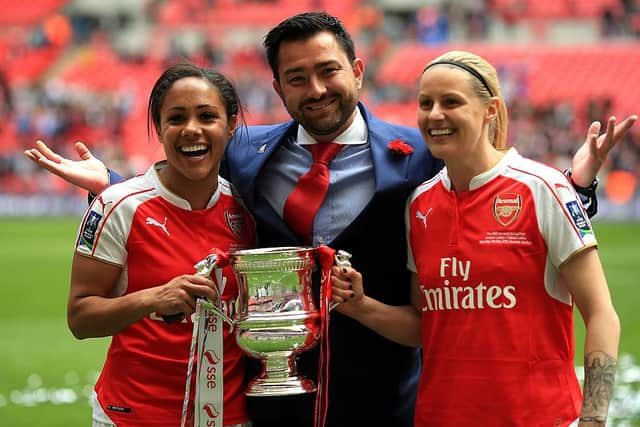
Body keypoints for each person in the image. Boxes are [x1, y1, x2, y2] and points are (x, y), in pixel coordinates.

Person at [24, 12, 636, 427]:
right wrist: (113, 186)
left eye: (328, 71)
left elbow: (502, 194)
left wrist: (579, 185)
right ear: (278, 89)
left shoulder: (419, 152)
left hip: (386, 404)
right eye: (297, 78)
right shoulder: (246, 152)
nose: (315, 88)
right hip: (270, 404)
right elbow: (187, 174)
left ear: (358, 71)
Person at [331, 50, 622, 426]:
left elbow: (600, 313)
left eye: (451, 101)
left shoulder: (543, 188)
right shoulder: (419, 205)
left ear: (490, 109)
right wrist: (360, 305)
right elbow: (426, 325)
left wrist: (594, 419)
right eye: (425, 103)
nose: (435, 114)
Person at [63, 63, 255, 427]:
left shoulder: (249, 209)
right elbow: (80, 319)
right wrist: (153, 298)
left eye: (207, 116)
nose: (191, 130)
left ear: (230, 125)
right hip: (131, 416)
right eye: (176, 118)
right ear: (160, 127)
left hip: (229, 418)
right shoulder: (116, 206)